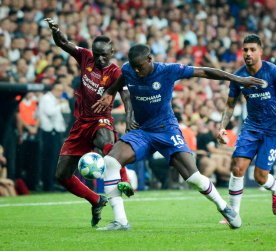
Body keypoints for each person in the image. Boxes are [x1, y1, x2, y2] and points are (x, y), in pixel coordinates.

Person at [92, 43, 266, 230]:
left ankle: (224, 207)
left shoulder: (168, 70)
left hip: (167, 130)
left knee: (193, 178)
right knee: (110, 161)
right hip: (142, 131)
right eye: (133, 66)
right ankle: (121, 221)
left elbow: (205, 72)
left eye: (140, 66)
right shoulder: (128, 70)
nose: (136, 70)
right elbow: (120, 82)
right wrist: (109, 93)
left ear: (150, 60)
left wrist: (238, 79)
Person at [44, 18, 133, 227]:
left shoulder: (116, 72)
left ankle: (125, 181)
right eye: (97, 53)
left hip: (101, 120)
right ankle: (96, 199)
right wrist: (56, 30)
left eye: (105, 54)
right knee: (62, 175)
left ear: (112, 52)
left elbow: (127, 98)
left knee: (108, 146)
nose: (100, 58)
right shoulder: (85, 57)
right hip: (80, 123)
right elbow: (63, 43)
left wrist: (129, 122)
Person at [217, 34, 276, 222]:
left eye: (252, 49)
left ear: (261, 51)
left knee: (261, 177)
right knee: (238, 168)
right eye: (245, 49)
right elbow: (230, 105)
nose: (248, 53)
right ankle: (233, 214)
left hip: (272, 130)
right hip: (251, 127)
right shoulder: (238, 76)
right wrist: (222, 126)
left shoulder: (273, 71)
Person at [38, 83, 67, 191]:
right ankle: (47, 184)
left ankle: (53, 182)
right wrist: (60, 105)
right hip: (49, 132)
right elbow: (50, 112)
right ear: (54, 89)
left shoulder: (55, 100)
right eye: (59, 90)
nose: (60, 93)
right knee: (49, 159)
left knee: (55, 159)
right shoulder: (47, 99)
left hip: (56, 132)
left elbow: (65, 112)